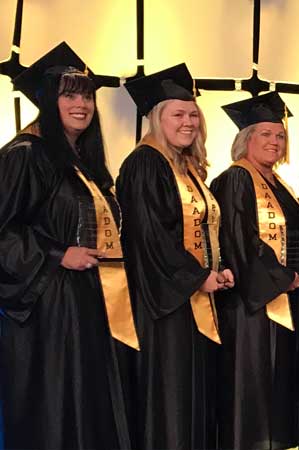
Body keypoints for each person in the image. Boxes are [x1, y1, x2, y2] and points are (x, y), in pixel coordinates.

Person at [0, 42, 134, 449]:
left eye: (87, 95)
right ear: (47, 100)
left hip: (92, 298)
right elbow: (4, 231)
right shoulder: (24, 155)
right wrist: (59, 254)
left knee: (91, 404)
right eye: (69, 94)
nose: (81, 104)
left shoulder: (85, 162)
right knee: (58, 406)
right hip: (49, 306)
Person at [119, 63, 232, 449]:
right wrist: (198, 277)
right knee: (171, 395)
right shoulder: (145, 163)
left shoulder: (184, 167)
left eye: (193, 115)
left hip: (191, 299)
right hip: (164, 305)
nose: (188, 122)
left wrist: (218, 269)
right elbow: (151, 237)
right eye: (178, 114)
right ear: (156, 118)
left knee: (193, 394)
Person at [209, 92, 299, 449]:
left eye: (279, 135)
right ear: (245, 139)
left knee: (276, 385)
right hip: (250, 306)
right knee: (252, 384)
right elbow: (240, 239)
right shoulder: (236, 179)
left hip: (281, 300)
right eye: (265, 134)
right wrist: (283, 277)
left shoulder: (278, 183)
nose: (275, 141)